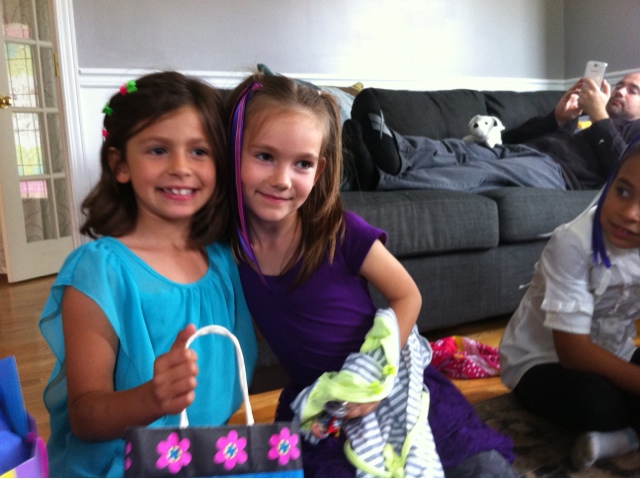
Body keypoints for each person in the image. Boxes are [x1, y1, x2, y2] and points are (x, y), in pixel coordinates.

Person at [226, 71, 516, 477]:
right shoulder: (229, 248)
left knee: (479, 465)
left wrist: (375, 378)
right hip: (321, 400)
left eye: (302, 163)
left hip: (385, 374)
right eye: (264, 156)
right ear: (233, 151)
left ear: (319, 169)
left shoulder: (338, 230)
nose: (282, 179)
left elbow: (407, 295)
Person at [39, 71, 257, 477]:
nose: (180, 167)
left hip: (209, 458)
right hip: (124, 466)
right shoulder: (98, 272)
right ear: (120, 164)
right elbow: (85, 415)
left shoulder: (222, 259)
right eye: (158, 150)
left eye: (199, 151)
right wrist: (151, 399)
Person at [499, 139, 640, 469]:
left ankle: (623, 439)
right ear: (610, 183)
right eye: (622, 191)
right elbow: (573, 353)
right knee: (600, 406)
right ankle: (626, 432)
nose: (630, 213)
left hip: (614, 351)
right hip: (543, 360)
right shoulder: (573, 242)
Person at [347, 72, 640, 192]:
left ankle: (379, 179)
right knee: (461, 149)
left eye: (633, 90)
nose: (620, 91)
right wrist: (557, 117)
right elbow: (509, 138)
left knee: (480, 171)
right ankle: (394, 149)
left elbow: (624, 171)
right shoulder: (584, 122)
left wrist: (599, 114)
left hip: (557, 173)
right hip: (525, 153)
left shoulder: (632, 132)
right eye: (620, 85)